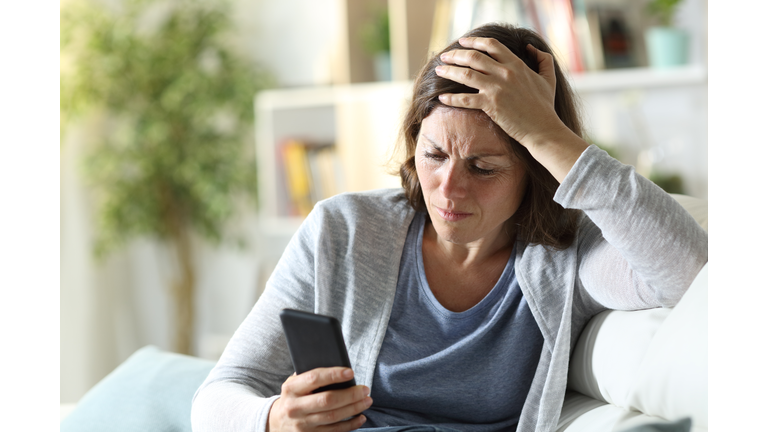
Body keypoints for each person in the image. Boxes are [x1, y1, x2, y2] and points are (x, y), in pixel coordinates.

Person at [191, 23, 707, 432]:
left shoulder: (569, 252)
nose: (448, 189)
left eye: (484, 168)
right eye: (434, 155)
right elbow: (219, 395)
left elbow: (691, 274)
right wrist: (271, 420)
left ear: (536, 169)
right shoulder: (342, 231)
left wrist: (548, 133)